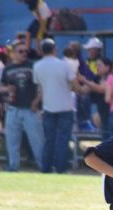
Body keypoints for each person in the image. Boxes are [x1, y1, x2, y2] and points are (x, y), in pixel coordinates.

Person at [33, 38, 81, 174]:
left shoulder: (37, 66)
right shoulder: (64, 65)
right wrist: (83, 89)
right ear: (55, 50)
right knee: (63, 139)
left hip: (48, 108)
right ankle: (61, 168)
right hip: (65, 107)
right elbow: (75, 85)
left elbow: (40, 89)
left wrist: (36, 103)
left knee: (49, 140)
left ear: (42, 51)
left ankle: (46, 168)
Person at [0, 40, 44, 172]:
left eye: (26, 51)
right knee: (12, 140)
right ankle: (13, 166)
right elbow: (0, 87)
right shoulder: (7, 68)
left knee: (37, 140)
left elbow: (41, 86)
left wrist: (36, 101)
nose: (24, 53)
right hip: (13, 108)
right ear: (13, 53)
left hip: (30, 109)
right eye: (21, 51)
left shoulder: (33, 66)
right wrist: (7, 89)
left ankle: (43, 166)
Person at [81, 56, 113, 140]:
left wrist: (85, 80)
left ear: (107, 67)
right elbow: (83, 90)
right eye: (96, 65)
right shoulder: (95, 78)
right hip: (99, 111)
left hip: (110, 111)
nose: (97, 68)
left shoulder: (111, 78)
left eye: (99, 65)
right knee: (104, 134)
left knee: (109, 133)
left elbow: (101, 89)